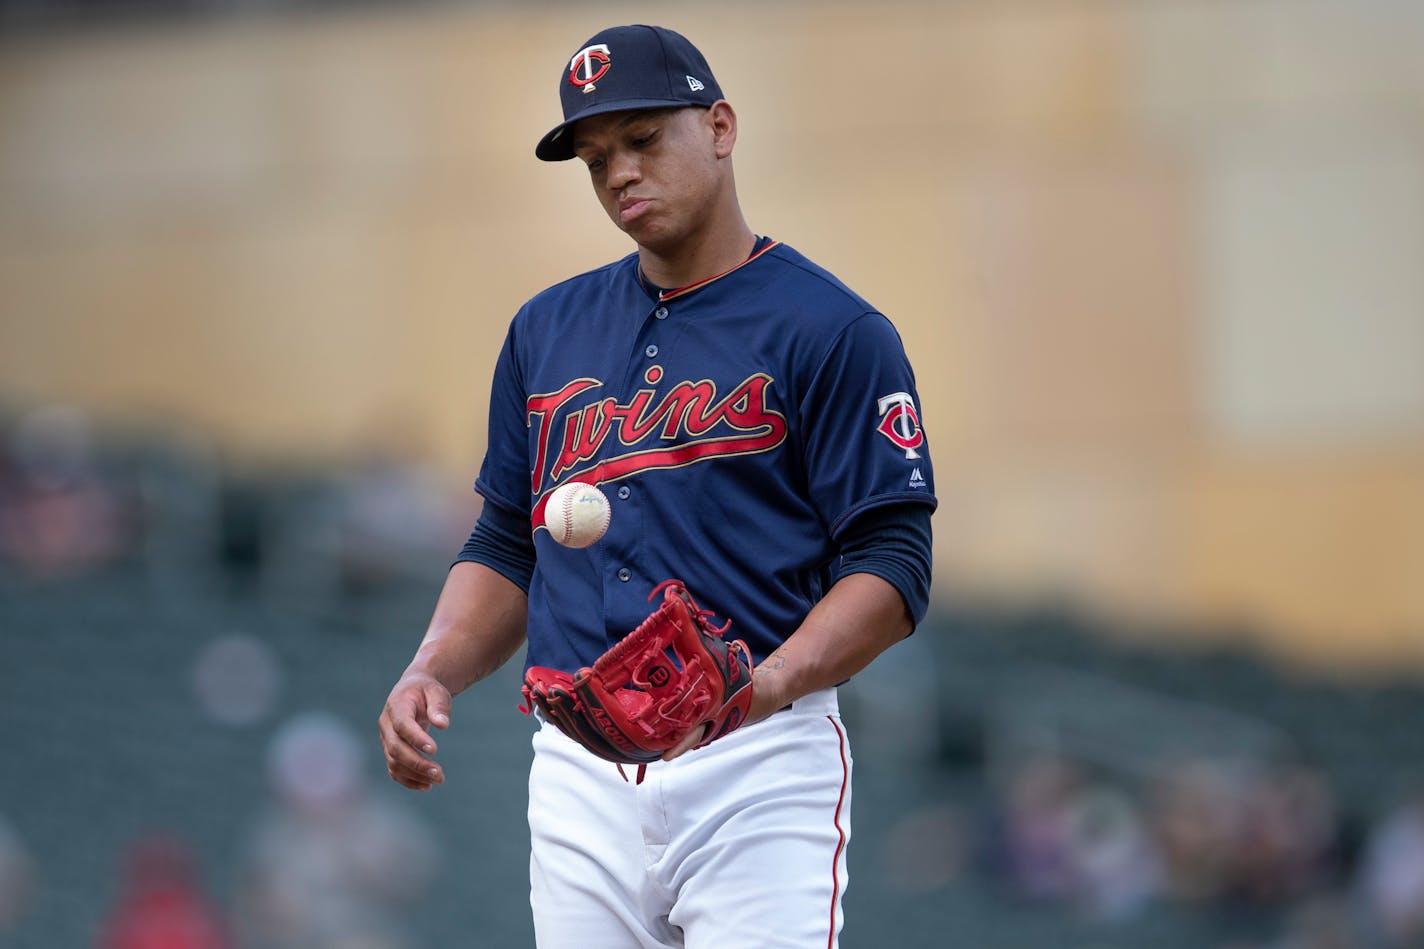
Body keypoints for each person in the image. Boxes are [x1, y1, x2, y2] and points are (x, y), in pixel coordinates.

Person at [377, 24, 935, 948]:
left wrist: (762, 685)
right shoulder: (545, 331)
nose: (620, 174)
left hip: (758, 757)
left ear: (719, 127)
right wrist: (428, 666)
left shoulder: (833, 329)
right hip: (579, 763)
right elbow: (507, 543)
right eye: (596, 159)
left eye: (643, 139)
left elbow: (893, 562)